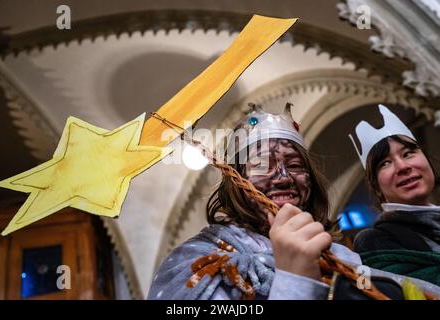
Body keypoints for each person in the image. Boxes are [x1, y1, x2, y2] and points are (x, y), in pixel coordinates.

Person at [148, 103, 440, 300]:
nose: (284, 177)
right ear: (237, 180)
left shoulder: (342, 255)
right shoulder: (196, 261)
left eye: (296, 166)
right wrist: (295, 278)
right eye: (262, 165)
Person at [350, 104, 440, 286]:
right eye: (385, 163)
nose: (402, 166)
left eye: (408, 153)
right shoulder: (373, 240)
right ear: (376, 186)